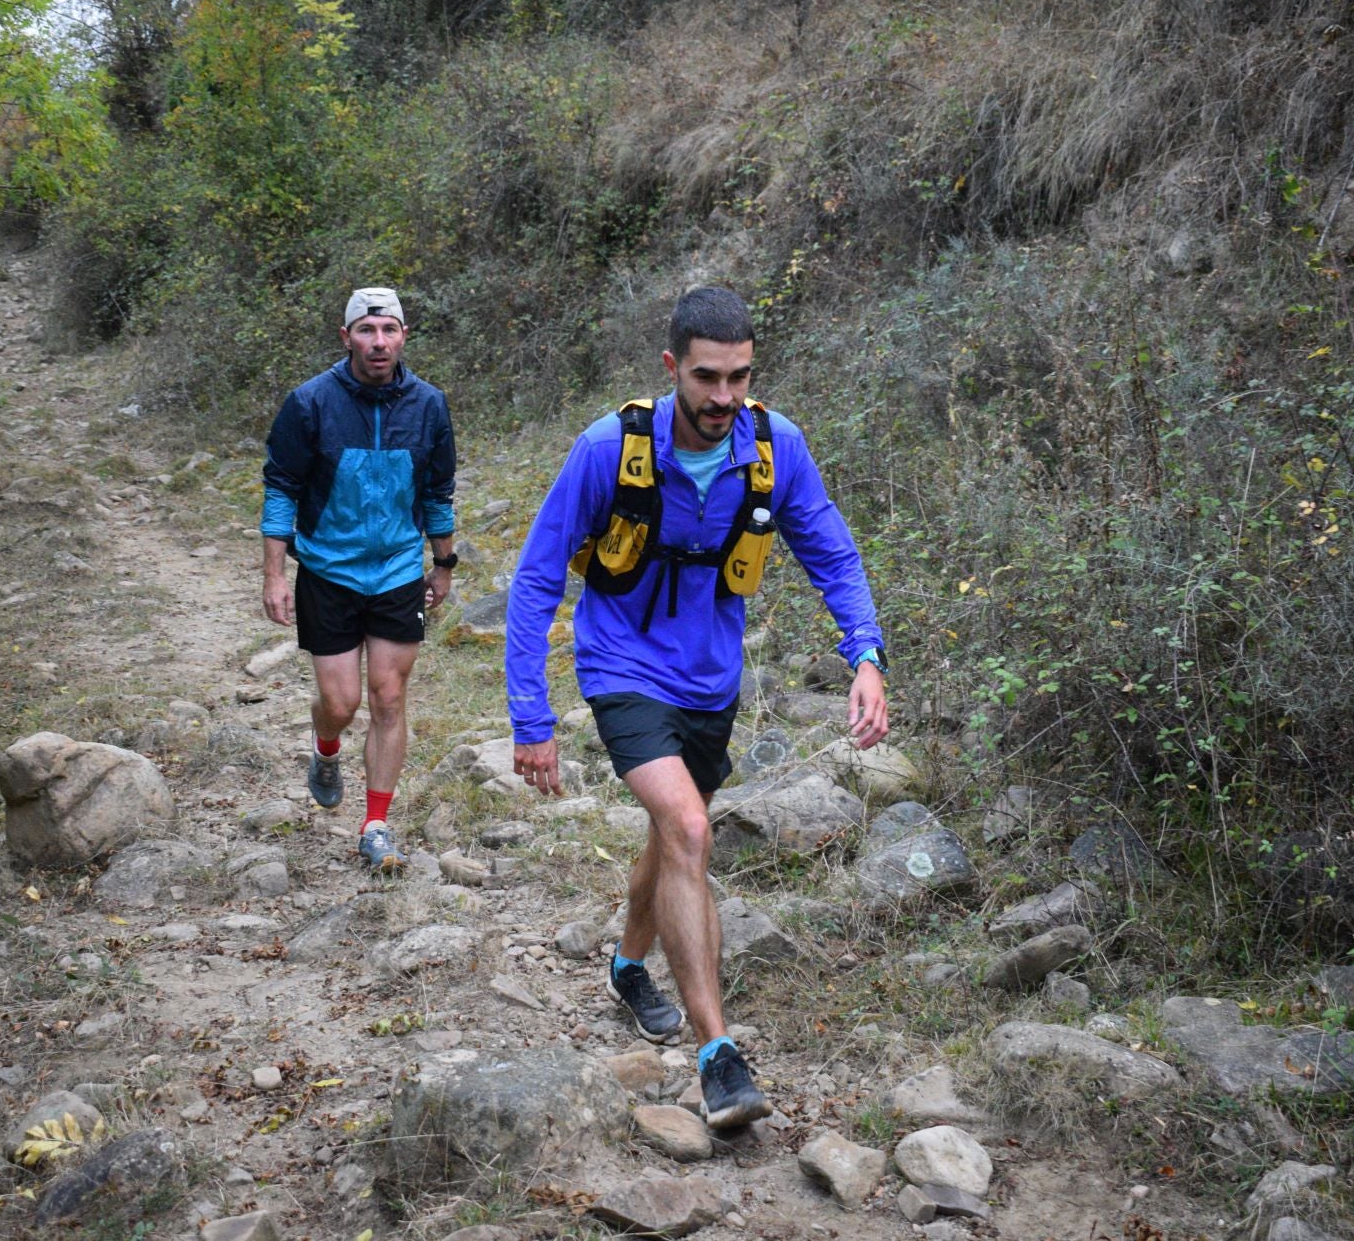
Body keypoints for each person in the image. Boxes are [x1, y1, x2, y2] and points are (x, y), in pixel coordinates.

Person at [504, 285, 889, 1128]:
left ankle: (628, 965)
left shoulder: (774, 446)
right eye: (708, 378)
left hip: (712, 679)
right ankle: (721, 1057)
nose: (724, 399)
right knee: (688, 830)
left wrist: (865, 655)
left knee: (672, 835)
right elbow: (535, 580)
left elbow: (831, 549)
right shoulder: (608, 448)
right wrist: (532, 719)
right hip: (620, 664)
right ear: (672, 366)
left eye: (740, 378)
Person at [261, 287, 458, 874]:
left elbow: (436, 493)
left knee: (389, 696)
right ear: (346, 336)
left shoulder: (428, 405)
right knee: (342, 702)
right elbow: (282, 489)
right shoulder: (309, 403)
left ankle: (376, 824)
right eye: (367, 331)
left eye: (389, 330)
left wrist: (442, 564)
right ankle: (326, 750)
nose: (379, 342)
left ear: (403, 336)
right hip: (327, 569)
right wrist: (275, 574)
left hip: (397, 568)